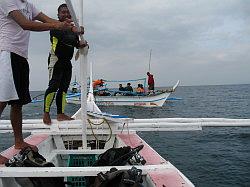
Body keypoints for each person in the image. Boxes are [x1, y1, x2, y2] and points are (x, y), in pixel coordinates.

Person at [0, 0, 74, 150]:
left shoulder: (29, 5)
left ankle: (19, 142)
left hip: (21, 56)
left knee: (17, 103)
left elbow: (49, 20)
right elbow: (25, 24)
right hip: (7, 53)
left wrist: (71, 28)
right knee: (1, 101)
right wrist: (57, 25)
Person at [43, 4, 86, 125]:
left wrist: (82, 43)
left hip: (67, 61)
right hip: (56, 60)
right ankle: (46, 113)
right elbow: (65, 39)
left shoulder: (73, 30)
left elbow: (75, 43)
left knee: (63, 88)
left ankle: (60, 114)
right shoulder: (55, 26)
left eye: (68, 12)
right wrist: (76, 32)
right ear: (58, 15)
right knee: (53, 86)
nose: (66, 14)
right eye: (63, 12)